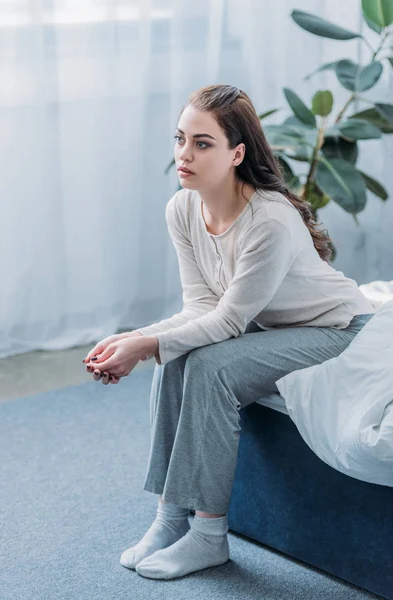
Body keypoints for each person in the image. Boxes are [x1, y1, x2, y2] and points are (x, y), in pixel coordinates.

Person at [83, 84, 375, 580]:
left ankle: (208, 536)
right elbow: (200, 306)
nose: (184, 154)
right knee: (179, 355)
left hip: (339, 330)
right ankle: (171, 518)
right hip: (274, 327)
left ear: (237, 153)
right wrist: (134, 339)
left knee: (211, 365)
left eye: (202, 143)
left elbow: (228, 323)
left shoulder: (270, 222)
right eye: (180, 139)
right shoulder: (183, 208)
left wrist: (144, 344)